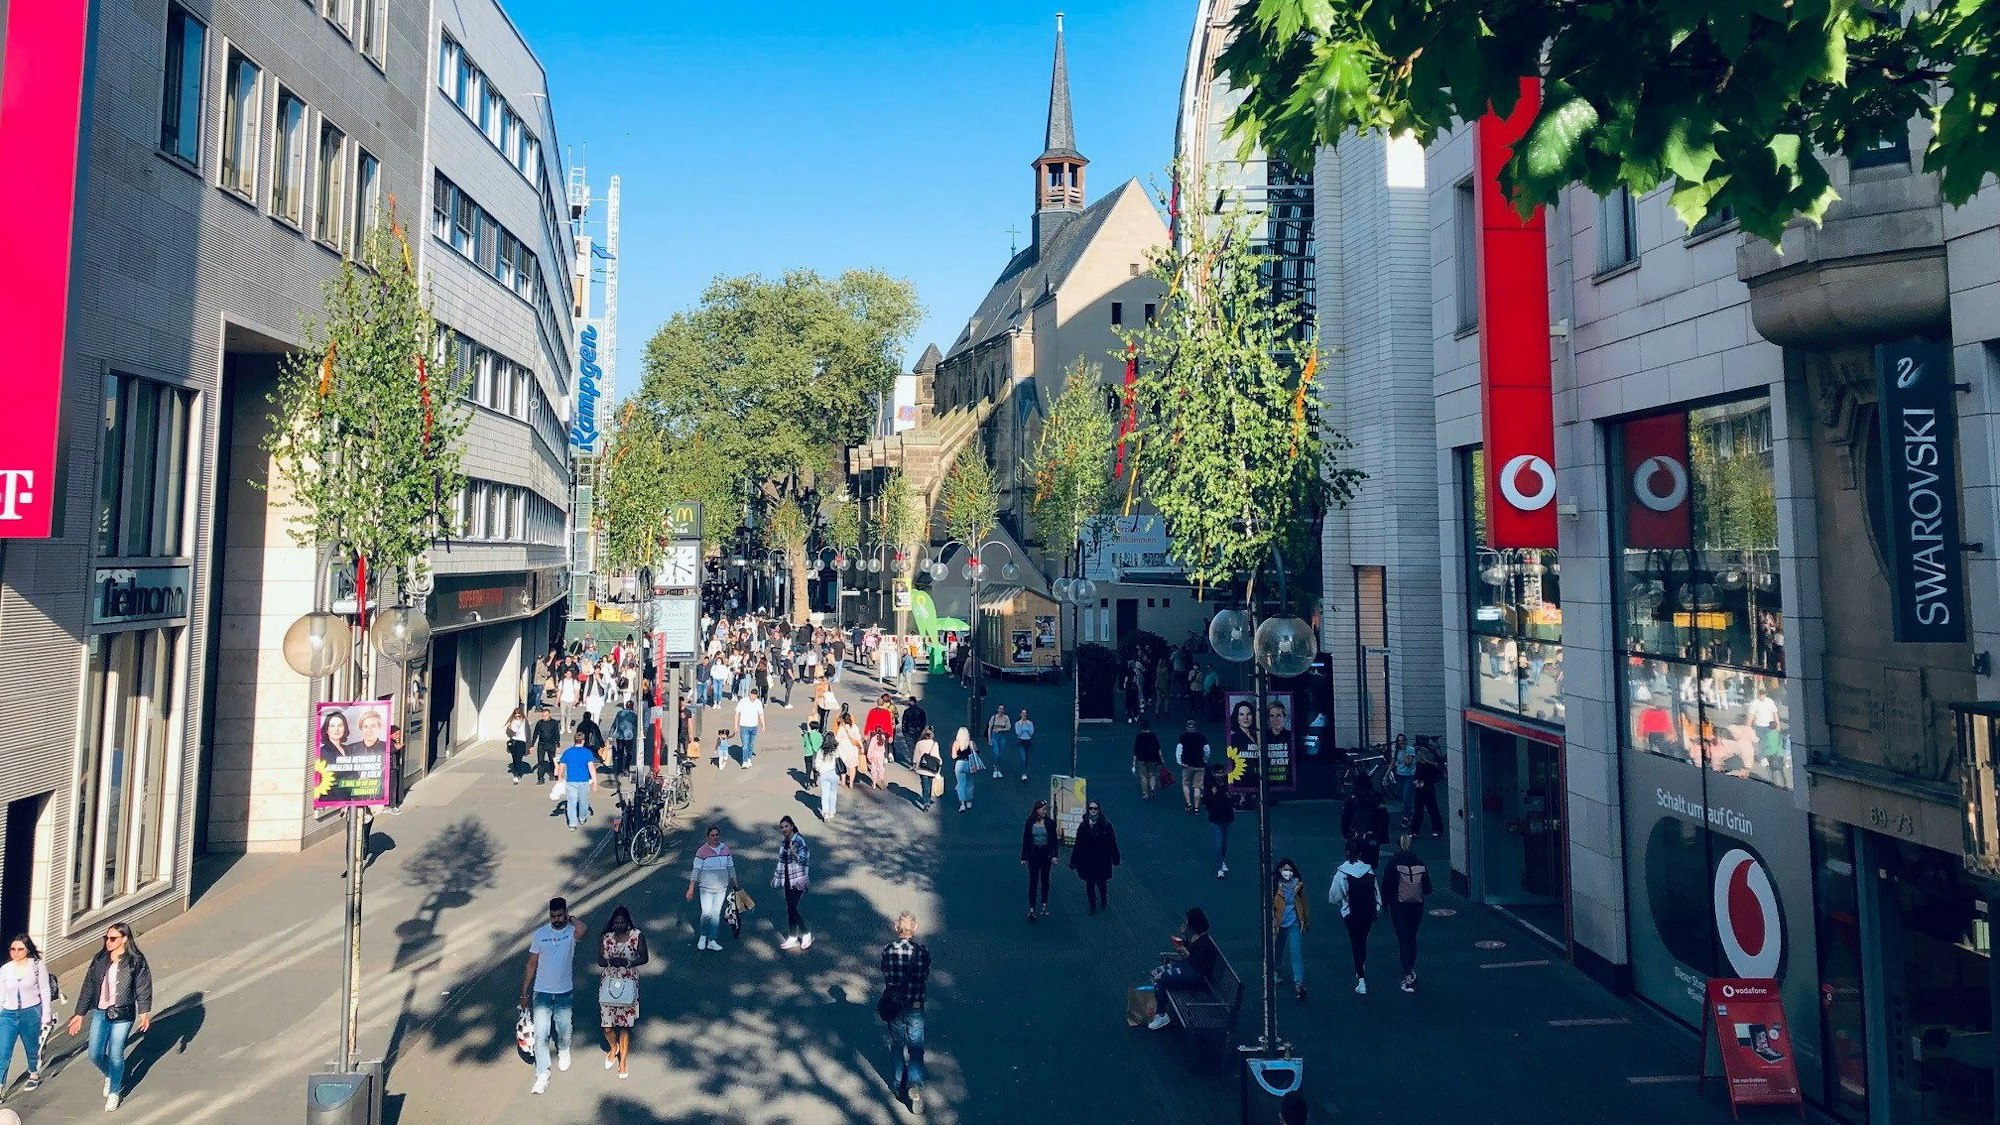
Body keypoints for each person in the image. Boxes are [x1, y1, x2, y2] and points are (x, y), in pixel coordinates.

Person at [519, 897, 587, 1095]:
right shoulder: (540, 935)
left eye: (559, 915)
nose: (556, 919)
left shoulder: (571, 932)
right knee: (541, 1035)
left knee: (564, 1029)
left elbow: (583, 930)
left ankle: (564, 1049)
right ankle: (542, 1074)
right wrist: (524, 992)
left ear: (565, 914)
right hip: (542, 992)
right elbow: (531, 963)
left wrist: (571, 919)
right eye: (553, 916)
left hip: (564, 991)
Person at [878, 912, 932, 1114]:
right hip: (916, 1005)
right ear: (914, 928)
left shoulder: (888, 949)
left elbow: (885, 970)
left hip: (895, 1006)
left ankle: (899, 1085)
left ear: (896, 928)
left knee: (897, 1044)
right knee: (916, 1047)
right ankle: (915, 1083)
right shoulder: (922, 951)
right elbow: (925, 974)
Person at [596, 905, 648, 1080]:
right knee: (607, 1026)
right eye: (616, 922)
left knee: (624, 1026)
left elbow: (644, 957)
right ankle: (613, 1047)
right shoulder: (606, 938)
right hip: (609, 983)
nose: (619, 925)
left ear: (627, 922)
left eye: (622, 922)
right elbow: (600, 960)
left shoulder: (636, 936)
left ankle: (623, 1063)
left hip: (628, 982)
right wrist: (611, 961)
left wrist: (628, 962)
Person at [1145, 908, 1218, 1030]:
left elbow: (1196, 961)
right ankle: (1161, 1008)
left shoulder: (1205, 942)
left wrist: (1183, 949)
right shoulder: (1195, 936)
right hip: (1188, 967)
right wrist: (1183, 938)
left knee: (1160, 979)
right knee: (1155, 973)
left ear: (1194, 924)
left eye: (1188, 921)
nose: (1185, 923)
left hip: (1196, 974)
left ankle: (1162, 1015)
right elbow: (1189, 952)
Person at [1, 934, 54, 1097]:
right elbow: (1, 993)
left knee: (32, 1047)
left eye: (20, 949)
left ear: (27, 950)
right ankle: (0, 1085)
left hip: (30, 1012)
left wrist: (46, 1013)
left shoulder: (37, 966)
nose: (15, 952)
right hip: (8, 1014)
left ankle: (34, 1073)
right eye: (12, 949)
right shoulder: (5, 969)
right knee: (3, 1051)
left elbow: (44, 989)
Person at [1327, 840, 1381, 994]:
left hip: (1351, 913)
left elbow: (1334, 896)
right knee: (1362, 939)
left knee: (1355, 941)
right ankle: (1361, 965)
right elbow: (1376, 893)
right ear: (1361, 853)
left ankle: (1361, 978)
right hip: (1368, 912)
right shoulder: (1369, 871)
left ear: (1346, 852)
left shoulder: (1342, 873)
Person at [1384, 835, 1434, 993]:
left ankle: (1407, 975)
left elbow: (1386, 886)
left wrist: (1385, 904)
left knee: (1403, 938)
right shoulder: (1420, 864)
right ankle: (1411, 967)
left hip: (1398, 906)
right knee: (1412, 937)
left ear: (1398, 846)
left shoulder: (1393, 864)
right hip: (1416, 906)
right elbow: (1428, 889)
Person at [685, 826, 736, 951]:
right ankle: (703, 936)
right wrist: (691, 888)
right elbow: (696, 870)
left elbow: (730, 867)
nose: (715, 837)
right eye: (712, 835)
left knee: (716, 914)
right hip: (706, 888)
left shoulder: (725, 849)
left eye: (717, 835)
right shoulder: (702, 852)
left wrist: (735, 882)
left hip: (721, 888)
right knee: (706, 913)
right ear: (707, 837)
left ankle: (712, 940)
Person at [1068, 801, 1121, 914]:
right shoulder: (1083, 826)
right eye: (1091, 808)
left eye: (1095, 808)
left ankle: (1103, 899)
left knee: (1102, 883)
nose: (1093, 810)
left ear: (1099, 810)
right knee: (1090, 884)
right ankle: (1092, 905)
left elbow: (1112, 842)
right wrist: (1073, 861)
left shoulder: (1106, 825)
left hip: (1102, 860)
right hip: (1088, 860)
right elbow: (1078, 844)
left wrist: (1115, 857)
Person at [1272, 858, 1311, 1000]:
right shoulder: (1274, 885)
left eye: (1290, 870)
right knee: (1278, 950)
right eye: (1285, 869)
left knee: (1296, 951)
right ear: (1280, 870)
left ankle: (1299, 983)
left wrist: (1305, 921)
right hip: (1279, 923)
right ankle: (1276, 971)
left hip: (1294, 922)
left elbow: (1304, 903)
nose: (1288, 872)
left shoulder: (1298, 885)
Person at [773, 816, 813, 950]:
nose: (784, 829)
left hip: (798, 879)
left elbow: (804, 860)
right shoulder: (785, 842)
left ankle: (806, 933)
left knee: (792, 907)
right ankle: (792, 935)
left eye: (786, 826)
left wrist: (794, 852)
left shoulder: (799, 841)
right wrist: (777, 877)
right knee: (790, 908)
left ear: (792, 826)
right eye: (782, 827)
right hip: (787, 879)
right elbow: (781, 861)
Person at [1020, 800, 1061, 921]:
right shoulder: (1030, 823)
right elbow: (1026, 840)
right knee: (1033, 881)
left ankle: (1044, 904)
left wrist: (1055, 855)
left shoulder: (1050, 823)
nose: (1045, 811)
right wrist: (1024, 857)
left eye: (1046, 809)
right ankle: (1032, 908)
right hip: (1034, 854)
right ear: (1037, 810)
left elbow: (1054, 840)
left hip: (1045, 854)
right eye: (1043, 809)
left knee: (1045, 880)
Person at [1342, 775, 1391, 866]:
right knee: (1370, 864)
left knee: (1352, 863)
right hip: (1372, 836)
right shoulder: (1376, 798)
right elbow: (1385, 819)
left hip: (1355, 835)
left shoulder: (1351, 799)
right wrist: (1383, 837)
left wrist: (1345, 833)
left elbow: (1345, 818)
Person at [558, 731, 600, 831]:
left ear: (574, 740)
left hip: (571, 781)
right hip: (583, 781)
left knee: (571, 802)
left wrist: (560, 778)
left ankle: (572, 823)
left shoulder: (568, 752)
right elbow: (591, 768)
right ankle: (582, 818)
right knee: (583, 801)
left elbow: (561, 766)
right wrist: (595, 782)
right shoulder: (587, 752)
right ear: (583, 741)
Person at [1202, 772, 1235, 879]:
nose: (1220, 775)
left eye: (1221, 772)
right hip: (1215, 820)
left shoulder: (1229, 784)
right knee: (1218, 844)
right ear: (1213, 774)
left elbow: (1236, 798)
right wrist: (1213, 794)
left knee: (1224, 844)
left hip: (1227, 819)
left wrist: (1231, 797)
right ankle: (1219, 869)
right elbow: (1205, 801)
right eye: (1217, 773)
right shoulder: (1210, 786)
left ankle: (1222, 860)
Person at [1409, 743, 1445, 838]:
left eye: (1419, 754)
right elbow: (1416, 776)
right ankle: (1415, 831)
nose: (1417, 756)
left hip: (1428, 789)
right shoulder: (1419, 765)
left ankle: (1436, 829)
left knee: (1432, 809)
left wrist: (1424, 782)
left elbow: (1435, 778)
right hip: (1421, 789)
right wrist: (1416, 781)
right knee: (1419, 810)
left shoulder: (1430, 766)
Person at [1176, 720, 1209, 813]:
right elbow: (1207, 750)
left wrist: (1179, 762)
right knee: (1197, 786)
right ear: (1195, 727)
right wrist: (1205, 760)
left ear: (1187, 727)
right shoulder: (1201, 736)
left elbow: (1178, 750)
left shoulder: (1183, 736)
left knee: (1186, 784)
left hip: (1187, 765)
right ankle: (1196, 808)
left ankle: (1188, 803)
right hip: (1199, 765)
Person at [863, 695, 895, 790]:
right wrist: (890, 735)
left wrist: (866, 733)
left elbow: (868, 722)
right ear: (883, 703)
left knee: (873, 746)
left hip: (874, 732)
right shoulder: (887, 712)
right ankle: (883, 763)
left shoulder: (872, 711)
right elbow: (889, 724)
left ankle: (874, 777)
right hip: (884, 733)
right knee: (883, 747)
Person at [732, 690, 765, 769]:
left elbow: (761, 714)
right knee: (745, 745)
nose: (753, 697)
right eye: (752, 695)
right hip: (744, 726)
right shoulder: (743, 701)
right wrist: (735, 725)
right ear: (750, 694)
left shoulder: (758, 702)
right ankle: (745, 761)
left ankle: (749, 758)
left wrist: (763, 725)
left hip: (754, 726)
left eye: (755, 696)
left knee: (751, 744)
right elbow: (737, 713)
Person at [912, 727, 943, 812]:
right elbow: (937, 756)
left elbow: (916, 756)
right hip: (932, 768)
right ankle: (928, 799)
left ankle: (926, 802)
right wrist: (940, 764)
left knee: (925, 785)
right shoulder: (934, 744)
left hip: (922, 767)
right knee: (930, 784)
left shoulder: (919, 743)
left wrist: (914, 764)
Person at [1389, 734, 1418, 821]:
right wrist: (1387, 774)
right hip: (1399, 775)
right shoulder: (1397, 751)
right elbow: (1393, 762)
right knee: (1403, 796)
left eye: (1402, 740)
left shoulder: (1410, 749)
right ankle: (1409, 813)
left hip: (1409, 776)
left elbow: (1408, 763)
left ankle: (1406, 816)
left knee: (1406, 796)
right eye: (1399, 740)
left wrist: (1405, 751)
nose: (1401, 742)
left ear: (1406, 741)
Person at [1132, 719, 1164, 799]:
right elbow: (1158, 749)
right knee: (1152, 775)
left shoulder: (1139, 736)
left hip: (1141, 759)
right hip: (1153, 759)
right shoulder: (1153, 735)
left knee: (1143, 776)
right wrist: (1162, 759)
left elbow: (1135, 750)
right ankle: (1152, 788)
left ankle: (1145, 794)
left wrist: (1134, 763)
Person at [532, 707, 562, 785]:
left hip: (551, 744)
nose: (544, 717)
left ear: (549, 715)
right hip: (541, 744)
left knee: (552, 760)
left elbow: (557, 734)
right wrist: (532, 745)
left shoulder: (554, 723)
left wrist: (558, 745)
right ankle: (540, 777)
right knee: (540, 761)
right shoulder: (539, 723)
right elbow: (535, 734)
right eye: (543, 716)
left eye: (546, 715)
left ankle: (552, 773)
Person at [952, 727, 978, 813]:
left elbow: (953, 756)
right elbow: (976, 752)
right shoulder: (971, 743)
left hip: (959, 764)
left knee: (961, 784)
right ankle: (969, 801)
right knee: (970, 783)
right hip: (970, 764)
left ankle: (962, 804)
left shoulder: (956, 743)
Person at [610, 701, 639, 776]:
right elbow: (636, 725)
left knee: (620, 753)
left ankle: (619, 770)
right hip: (629, 736)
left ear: (626, 706)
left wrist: (610, 734)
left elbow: (614, 724)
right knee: (629, 753)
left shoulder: (619, 713)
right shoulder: (633, 715)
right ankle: (626, 769)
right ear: (632, 707)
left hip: (619, 736)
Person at [985, 705, 1012, 778]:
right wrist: (989, 739)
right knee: (996, 753)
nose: (1001, 710)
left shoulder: (1006, 717)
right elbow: (989, 727)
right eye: (1000, 709)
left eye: (1002, 709)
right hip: (994, 736)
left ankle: (999, 769)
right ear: (997, 709)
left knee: (1001, 754)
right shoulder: (994, 717)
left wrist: (1000, 729)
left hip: (1002, 736)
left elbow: (1008, 727)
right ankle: (995, 768)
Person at [505, 706, 530, 784]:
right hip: (513, 742)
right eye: (516, 716)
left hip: (521, 742)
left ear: (521, 715)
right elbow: (507, 733)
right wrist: (512, 732)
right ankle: (517, 772)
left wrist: (529, 745)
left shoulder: (524, 721)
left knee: (518, 759)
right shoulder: (511, 721)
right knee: (514, 759)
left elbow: (528, 733)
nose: (517, 717)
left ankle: (516, 775)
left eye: (519, 716)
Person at [1012, 709, 1036, 782]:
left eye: (1025, 713)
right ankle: (1023, 774)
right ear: (1020, 714)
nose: (1024, 714)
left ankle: (1025, 772)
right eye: (1023, 713)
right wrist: (1022, 725)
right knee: (1023, 758)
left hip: (1028, 742)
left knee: (1027, 758)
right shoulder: (1017, 723)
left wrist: (1026, 728)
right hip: (1021, 742)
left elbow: (1031, 733)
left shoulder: (1030, 723)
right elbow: (1018, 733)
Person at [800, 720, 825, 788]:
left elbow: (804, 744)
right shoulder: (819, 735)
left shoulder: (806, 735)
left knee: (808, 769)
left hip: (808, 754)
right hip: (817, 754)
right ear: (817, 727)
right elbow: (821, 744)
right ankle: (814, 782)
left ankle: (807, 783)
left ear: (810, 727)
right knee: (815, 769)